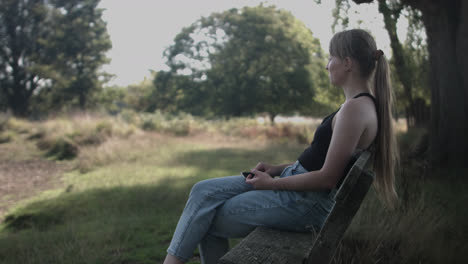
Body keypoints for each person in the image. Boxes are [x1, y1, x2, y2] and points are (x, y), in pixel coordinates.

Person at [163, 28, 398, 264]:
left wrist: (272, 184)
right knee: (202, 191)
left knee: (204, 218)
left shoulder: (355, 110)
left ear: (347, 63)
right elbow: (321, 160)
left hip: (304, 203)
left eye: (330, 58)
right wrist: (276, 169)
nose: (327, 65)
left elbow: (327, 178)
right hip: (297, 188)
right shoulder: (358, 106)